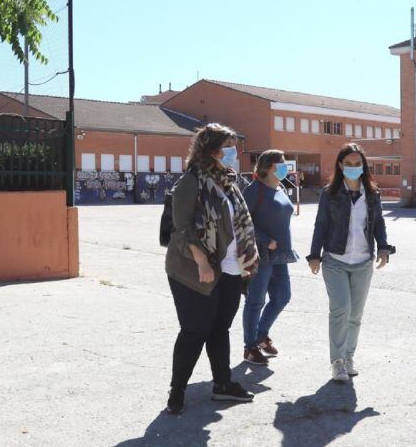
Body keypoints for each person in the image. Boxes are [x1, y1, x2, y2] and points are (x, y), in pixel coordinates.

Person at [163, 123, 260, 414]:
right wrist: (202, 261)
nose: (234, 152)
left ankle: (222, 384)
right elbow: (183, 228)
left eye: (235, 146)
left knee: (220, 329)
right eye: (229, 146)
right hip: (193, 269)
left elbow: (238, 222)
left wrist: (245, 261)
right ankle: (177, 390)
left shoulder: (229, 180)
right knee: (194, 330)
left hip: (230, 268)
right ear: (212, 150)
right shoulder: (191, 182)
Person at [307, 143, 395, 383]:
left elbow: (378, 224)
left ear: (364, 166)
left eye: (358, 164)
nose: (354, 168)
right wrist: (315, 254)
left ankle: (348, 358)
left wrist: (384, 248)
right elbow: (321, 224)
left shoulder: (372, 194)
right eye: (349, 164)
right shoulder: (329, 193)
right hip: (335, 260)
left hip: (363, 261)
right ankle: (336, 362)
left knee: (355, 314)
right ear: (340, 165)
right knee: (340, 309)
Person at [241, 150, 298, 366]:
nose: (285, 167)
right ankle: (250, 347)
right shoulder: (255, 190)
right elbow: (241, 221)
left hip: (281, 256)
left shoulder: (281, 188)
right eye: (280, 164)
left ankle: (261, 335)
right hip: (261, 255)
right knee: (255, 301)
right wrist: (264, 239)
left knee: (282, 297)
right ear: (267, 167)